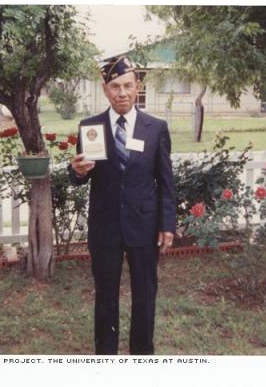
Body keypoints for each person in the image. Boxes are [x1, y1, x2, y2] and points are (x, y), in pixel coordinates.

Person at [68, 55, 176, 355]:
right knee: (105, 297)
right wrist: (76, 171)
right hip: (105, 227)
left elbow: (165, 180)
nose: (122, 93)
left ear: (137, 87)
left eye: (128, 85)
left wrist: (168, 223)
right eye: (115, 87)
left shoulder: (155, 128)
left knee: (145, 296)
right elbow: (81, 174)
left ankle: (142, 357)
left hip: (144, 225)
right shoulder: (91, 127)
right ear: (105, 90)